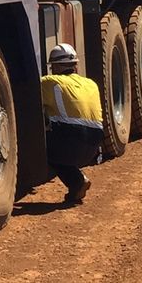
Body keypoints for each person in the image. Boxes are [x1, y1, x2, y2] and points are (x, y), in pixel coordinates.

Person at [39, 43, 104, 205]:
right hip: (94, 148)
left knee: (43, 147)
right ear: (75, 65)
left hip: (71, 145)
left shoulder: (49, 82)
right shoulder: (91, 83)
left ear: (54, 66)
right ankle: (77, 182)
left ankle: (77, 181)